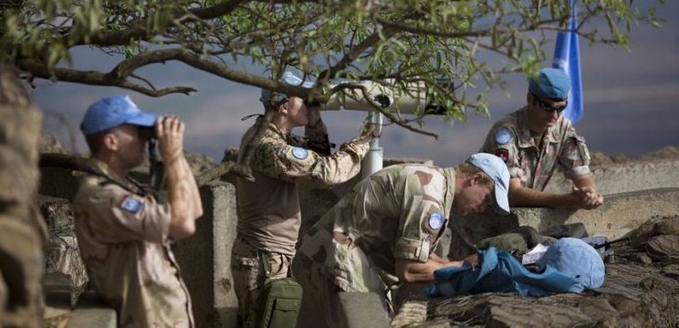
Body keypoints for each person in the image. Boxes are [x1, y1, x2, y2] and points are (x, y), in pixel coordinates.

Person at [294, 153, 511, 327]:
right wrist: (464, 267)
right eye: (487, 199)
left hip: (330, 261)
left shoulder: (434, 182)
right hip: (336, 266)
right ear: (476, 179)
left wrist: (448, 265)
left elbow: (418, 252)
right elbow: (409, 269)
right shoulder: (429, 198)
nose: (484, 208)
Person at [231, 70, 375, 327]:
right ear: (284, 104)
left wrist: (314, 119)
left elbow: (313, 153)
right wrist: (363, 143)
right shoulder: (267, 147)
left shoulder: (271, 137)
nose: (309, 101)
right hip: (264, 257)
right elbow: (326, 172)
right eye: (303, 97)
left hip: (268, 254)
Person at [73, 95, 203, 327]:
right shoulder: (101, 197)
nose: (144, 139)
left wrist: (176, 154)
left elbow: (193, 210)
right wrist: (171, 157)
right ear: (111, 141)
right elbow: (183, 224)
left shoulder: (125, 187)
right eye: (137, 132)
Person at [480, 67, 603, 209]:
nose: (555, 115)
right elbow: (512, 193)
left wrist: (588, 192)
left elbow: (581, 173)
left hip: (518, 216)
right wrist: (567, 200)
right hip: (483, 218)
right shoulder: (506, 133)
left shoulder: (561, 127)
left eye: (561, 108)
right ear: (530, 99)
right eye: (547, 107)